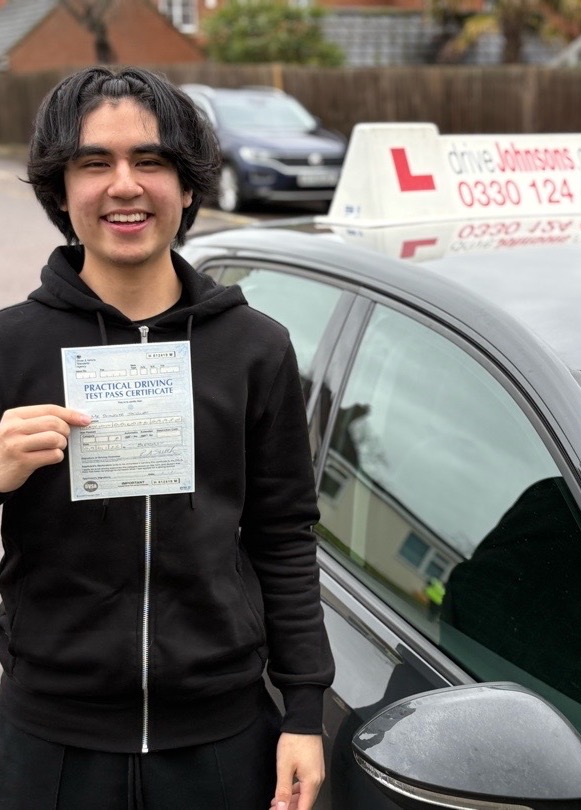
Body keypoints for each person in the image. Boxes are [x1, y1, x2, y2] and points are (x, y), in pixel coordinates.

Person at [0, 65, 334, 810]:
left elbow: (284, 534)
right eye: (95, 163)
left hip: (221, 736)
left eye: (151, 162)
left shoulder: (255, 348)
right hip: (49, 741)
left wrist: (304, 711)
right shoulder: (9, 349)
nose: (125, 186)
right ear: (61, 191)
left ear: (187, 188)